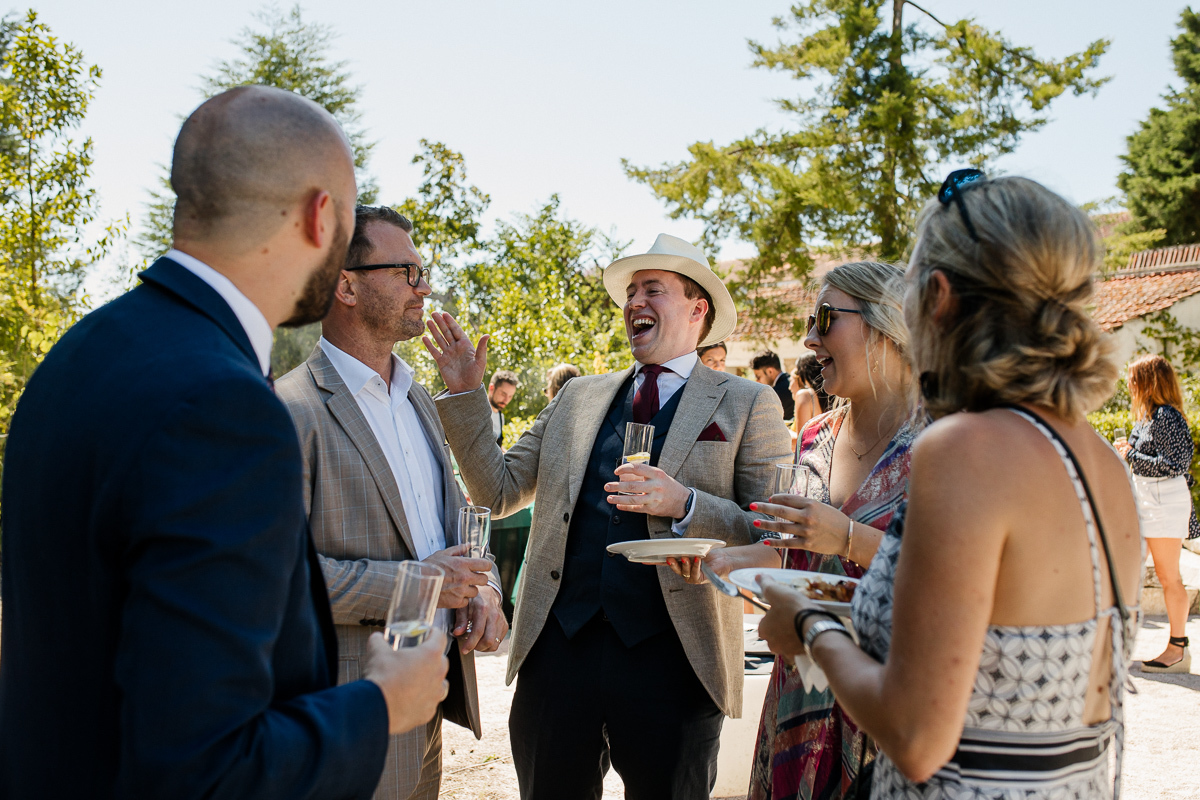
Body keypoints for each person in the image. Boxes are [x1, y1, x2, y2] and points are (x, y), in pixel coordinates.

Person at [0, 87, 447, 798]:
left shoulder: (78, 355)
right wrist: (383, 704)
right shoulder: (224, 406)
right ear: (320, 216)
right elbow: (204, 767)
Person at [757, 174, 1142, 799]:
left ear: (937, 297)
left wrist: (807, 624)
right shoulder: (1098, 459)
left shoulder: (964, 448)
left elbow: (915, 737)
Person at [424, 233, 793, 800]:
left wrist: (687, 505)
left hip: (676, 658)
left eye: (653, 289)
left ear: (697, 309)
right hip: (558, 654)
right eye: (631, 292)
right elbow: (497, 491)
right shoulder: (578, 397)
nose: (634, 302)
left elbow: (771, 533)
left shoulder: (747, 403)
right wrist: (467, 395)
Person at [276, 205, 508, 799]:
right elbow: (279, 580)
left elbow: (456, 526)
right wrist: (420, 585)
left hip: (428, 710)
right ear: (345, 285)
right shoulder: (288, 411)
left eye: (422, 272)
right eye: (406, 271)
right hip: (347, 715)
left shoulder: (419, 401)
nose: (423, 287)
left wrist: (484, 588)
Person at [672, 261, 917, 799]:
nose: (809, 339)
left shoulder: (945, 442)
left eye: (825, 319)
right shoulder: (814, 437)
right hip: (800, 694)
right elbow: (796, 554)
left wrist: (848, 537)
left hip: (891, 700)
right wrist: (723, 561)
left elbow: (957, 580)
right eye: (810, 321)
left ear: (888, 325)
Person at [1115, 354, 1195, 673]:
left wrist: (1131, 455)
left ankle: (1177, 650)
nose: (1129, 384)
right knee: (1128, 571)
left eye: (1134, 379)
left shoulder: (1167, 416)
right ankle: (1118, 643)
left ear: (1149, 382)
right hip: (1145, 500)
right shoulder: (1146, 416)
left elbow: (1176, 465)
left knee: (1168, 576)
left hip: (1164, 502)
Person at [789, 353, 828, 435]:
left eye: (798, 372)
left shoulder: (805, 395)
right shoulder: (832, 394)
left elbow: (801, 439)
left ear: (803, 373)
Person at [752, 349, 795, 420]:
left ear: (770, 372)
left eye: (758, 377)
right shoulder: (789, 381)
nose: (757, 381)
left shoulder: (775, 393)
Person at [488, 369, 519, 446]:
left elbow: (497, 448)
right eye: (503, 394)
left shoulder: (500, 417)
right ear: (491, 388)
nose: (506, 400)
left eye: (510, 396)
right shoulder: (477, 413)